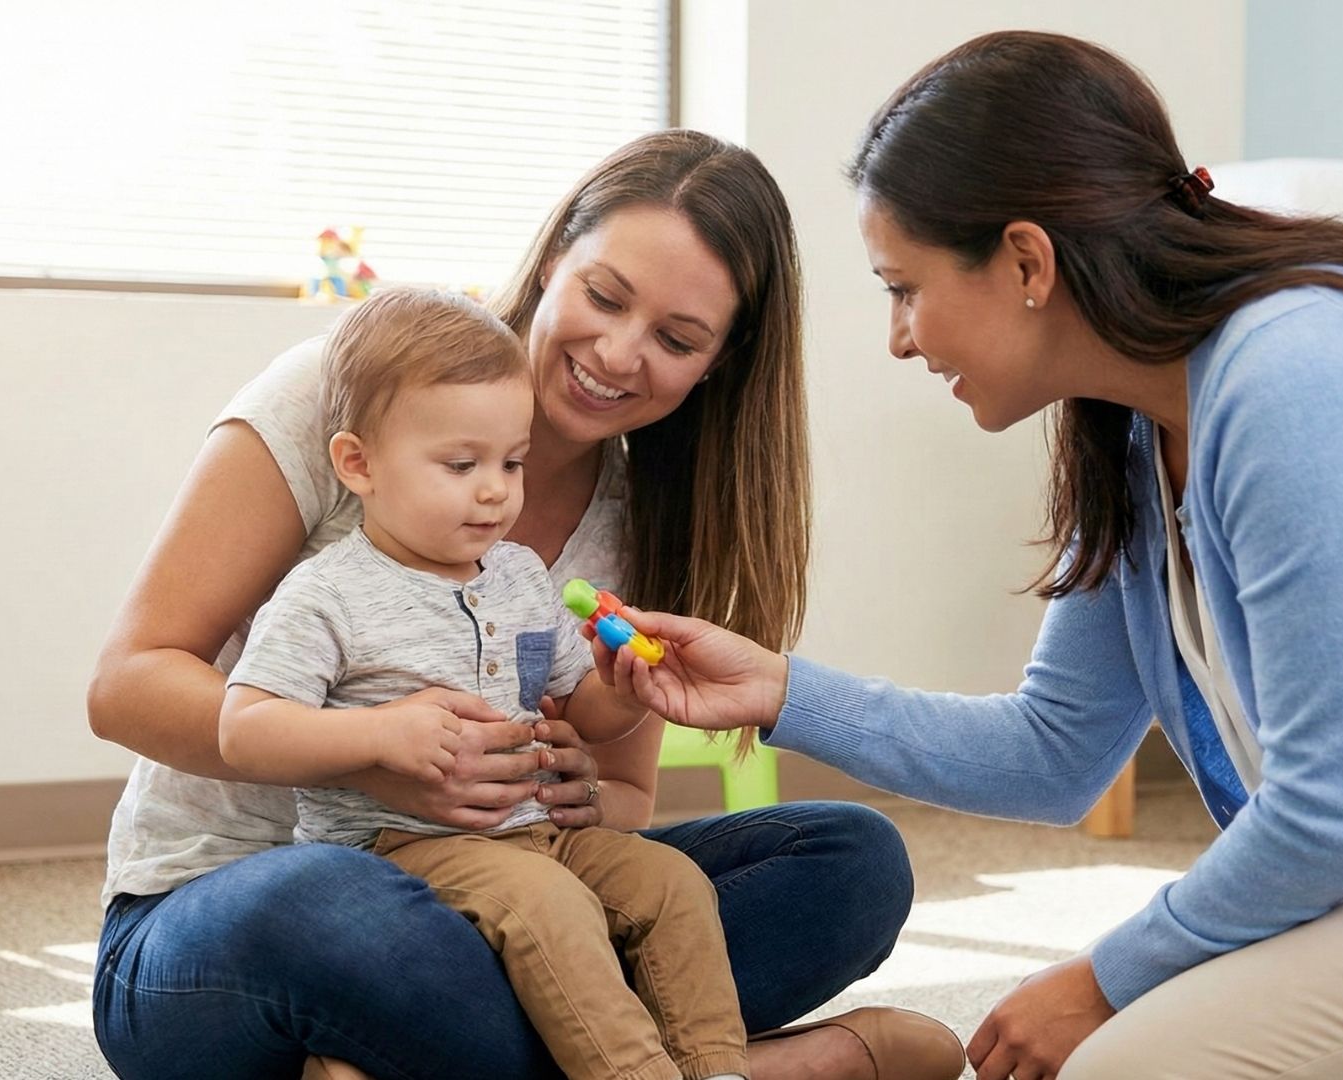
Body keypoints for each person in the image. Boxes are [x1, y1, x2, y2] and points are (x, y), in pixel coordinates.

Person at [582, 31, 1343, 1080]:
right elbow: (1055, 751)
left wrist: (1105, 978)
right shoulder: (1136, 422)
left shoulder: (1302, 378)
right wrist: (778, 689)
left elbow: (1335, 814)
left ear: (1024, 261)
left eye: (904, 288)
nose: (900, 337)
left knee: (1121, 1065)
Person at [88, 129, 958, 1080]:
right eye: (604, 296)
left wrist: (580, 773)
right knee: (341, 908)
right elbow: (125, 688)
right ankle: (770, 1068)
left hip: (516, 890)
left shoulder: (644, 523)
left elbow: (623, 797)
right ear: (553, 262)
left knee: (849, 858)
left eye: (676, 339)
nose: (619, 354)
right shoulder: (347, 394)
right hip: (236, 909)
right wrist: (377, 753)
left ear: (719, 361)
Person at [221, 286, 748, 1080]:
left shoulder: (521, 575)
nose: (496, 489)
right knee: (550, 906)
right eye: (461, 465)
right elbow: (244, 727)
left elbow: (578, 711)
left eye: (512, 462)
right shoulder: (326, 593)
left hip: (538, 834)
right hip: (400, 849)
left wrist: (628, 680)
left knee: (673, 883)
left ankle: (720, 1069)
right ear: (358, 464)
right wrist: (378, 735)